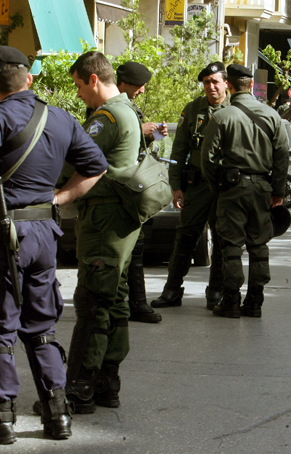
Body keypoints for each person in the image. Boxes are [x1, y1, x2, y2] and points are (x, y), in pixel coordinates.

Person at [0, 46, 108, 444]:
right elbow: (96, 167)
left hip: (4, 235)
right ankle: (57, 414)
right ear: (31, 79)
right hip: (45, 234)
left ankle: (0, 416)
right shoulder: (59, 117)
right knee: (41, 325)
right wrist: (59, 199)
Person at [65, 51, 143, 414]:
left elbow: (78, 159)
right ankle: (106, 383)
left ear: (93, 79)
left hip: (103, 224)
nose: (79, 93)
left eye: (80, 86)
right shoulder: (128, 112)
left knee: (93, 302)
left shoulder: (106, 117)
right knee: (115, 300)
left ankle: (80, 386)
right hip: (121, 225)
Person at [201, 64, 289, 318]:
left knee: (230, 245)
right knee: (259, 245)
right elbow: (282, 155)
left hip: (232, 189)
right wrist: (278, 190)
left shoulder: (221, 117)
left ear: (228, 85)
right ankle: (255, 302)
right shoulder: (272, 116)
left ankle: (230, 301)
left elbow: (207, 159)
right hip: (263, 188)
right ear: (251, 85)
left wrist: (217, 186)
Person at [150, 62, 229, 310]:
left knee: (222, 239)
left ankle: (216, 291)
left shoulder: (236, 108)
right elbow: (179, 149)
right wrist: (176, 186)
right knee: (185, 238)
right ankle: (172, 291)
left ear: (226, 83)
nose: (211, 86)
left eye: (215, 81)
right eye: (206, 82)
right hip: (196, 186)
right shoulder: (193, 109)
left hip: (225, 186)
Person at [115, 61, 166, 324]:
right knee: (124, 251)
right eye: (139, 85)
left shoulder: (127, 106)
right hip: (119, 191)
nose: (143, 91)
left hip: (132, 189)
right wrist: (140, 130)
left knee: (136, 248)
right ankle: (130, 304)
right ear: (125, 83)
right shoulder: (110, 108)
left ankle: (136, 303)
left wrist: (150, 135)